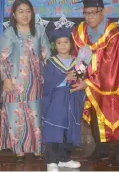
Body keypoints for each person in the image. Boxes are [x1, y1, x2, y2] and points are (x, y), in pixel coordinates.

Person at [70, 0, 119, 166]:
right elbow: (80, 57)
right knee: (95, 117)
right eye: (86, 13)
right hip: (91, 83)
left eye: (93, 13)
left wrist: (88, 82)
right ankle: (100, 151)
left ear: (102, 12)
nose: (89, 17)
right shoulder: (80, 31)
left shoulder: (114, 33)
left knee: (115, 116)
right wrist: (79, 77)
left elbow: (111, 64)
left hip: (113, 83)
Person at [0, 0, 51, 162]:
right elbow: (3, 58)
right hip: (13, 81)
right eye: (20, 11)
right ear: (14, 14)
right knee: (15, 115)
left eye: (28, 11)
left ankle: (37, 148)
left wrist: (48, 77)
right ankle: (18, 150)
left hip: (35, 82)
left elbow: (46, 54)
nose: (25, 15)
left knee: (35, 114)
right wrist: (5, 78)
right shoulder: (9, 32)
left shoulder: (39, 30)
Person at [42, 28, 85, 172]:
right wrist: (64, 78)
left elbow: (81, 80)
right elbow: (47, 82)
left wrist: (80, 84)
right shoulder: (51, 62)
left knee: (68, 130)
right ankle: (51, 161)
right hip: (56, 103)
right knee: (54, 130)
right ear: (55, 45)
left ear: (71, 44)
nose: (63, 45)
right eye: (59, 42)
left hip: (72, 102)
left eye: (66, 42)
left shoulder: (77, 62)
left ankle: (64, 159)